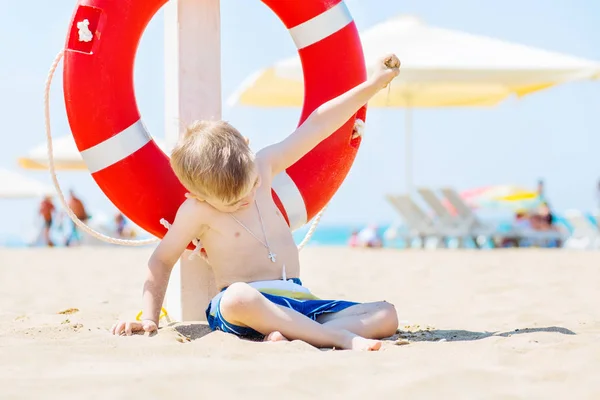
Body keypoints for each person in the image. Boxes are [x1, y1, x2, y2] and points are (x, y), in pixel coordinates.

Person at [111, 54, 401, 351]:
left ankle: (296, 334)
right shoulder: (197, 210)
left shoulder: (263, 165)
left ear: (249, 150)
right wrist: (149, 317)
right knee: (238, 297)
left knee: (385, 314)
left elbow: (317, 125)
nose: (247, 198)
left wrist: (374, 84)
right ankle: (337, 337)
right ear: (197, 195)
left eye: (251, 186)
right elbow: (161, 260)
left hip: (298, 302)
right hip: (247, 308)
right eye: (232, 202)